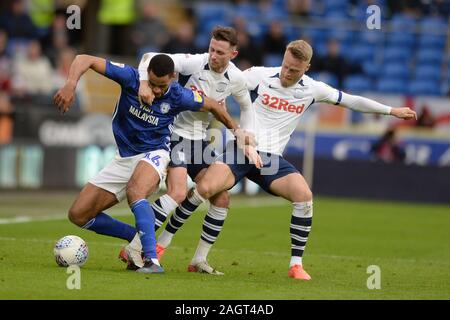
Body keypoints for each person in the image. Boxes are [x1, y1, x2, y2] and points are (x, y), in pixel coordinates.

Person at [155, 39, 417, 279]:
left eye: (294, 70)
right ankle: (161, 244)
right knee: (205, 189)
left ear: (307, 67)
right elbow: (227, 84)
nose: (287, 72)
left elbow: (351, 100)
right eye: (286, 66)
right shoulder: (259, 75)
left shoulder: (313, 89)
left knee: (304, 195)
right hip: (243, 149)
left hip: (270, 159)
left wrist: (391, 111)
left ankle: (295, 265)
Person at [53, 53, 252, 274]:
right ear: (147, 74)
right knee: (79, 214)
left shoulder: (179, 95)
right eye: (153, 84)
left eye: (162, 86)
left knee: (136, 192)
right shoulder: (130, 78)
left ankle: (151, 260)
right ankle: (136, 236)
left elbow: (214, 105)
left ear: (173, 78)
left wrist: (237, 132)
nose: (157, 91)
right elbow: (83, 59)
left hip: (155, 152)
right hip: (124, 157)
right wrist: (70, 85)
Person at [119, 26, 260, 271]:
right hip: (173, 134)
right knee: (178, 192)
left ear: (233, 55)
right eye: (212, 49)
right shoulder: (194, 63)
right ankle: (135, 246)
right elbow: (149, 58)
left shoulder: (236, 79)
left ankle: (198, 260)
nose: (214, 55)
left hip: (200, 141)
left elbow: (247, 108)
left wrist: (246, 138)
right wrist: (143, 82)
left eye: (220, 52)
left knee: (222, 198)